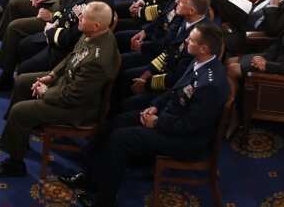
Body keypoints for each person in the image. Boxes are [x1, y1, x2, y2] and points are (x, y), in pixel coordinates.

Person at [65, 22, 229, 207]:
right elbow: (175, 91)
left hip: (185, 140)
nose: (186, 41)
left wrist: (157, 122)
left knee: (120, 140)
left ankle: (105, 201)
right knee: (115, 122)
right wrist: (155, 107)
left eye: (191, 40)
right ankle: (90, 177)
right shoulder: (199, 60)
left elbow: (191, 125)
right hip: (169, 118)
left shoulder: (211, 84)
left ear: (204, 48)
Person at [0, 1, 120, 180]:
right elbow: (73, 56)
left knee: (19, 112)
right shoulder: (95, 33)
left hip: (76, 109)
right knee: (23, 81)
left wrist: (45, 92)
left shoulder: (98, 61)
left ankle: (14, 164)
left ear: (96, 25)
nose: (79, 18)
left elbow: (72, 97)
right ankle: (17, 140)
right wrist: (52, 75)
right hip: (68, 85)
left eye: (83, 17)